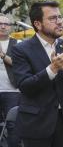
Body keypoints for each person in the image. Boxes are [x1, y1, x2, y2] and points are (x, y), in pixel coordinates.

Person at [11, 0, 63, 147]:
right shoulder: (21, 49)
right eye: (52, 18)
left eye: (60, 17)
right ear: (37, 24)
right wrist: (52, 69)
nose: (59, 22)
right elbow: (25, 86)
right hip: (36, 123)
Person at [0, 14, 21, 147]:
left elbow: (20, 64)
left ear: (10, 28)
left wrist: (3, 55)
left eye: (6, 24)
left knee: (13, 124)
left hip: (12, 90)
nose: (2, 26)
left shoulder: (18, 44)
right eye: (0, 23)